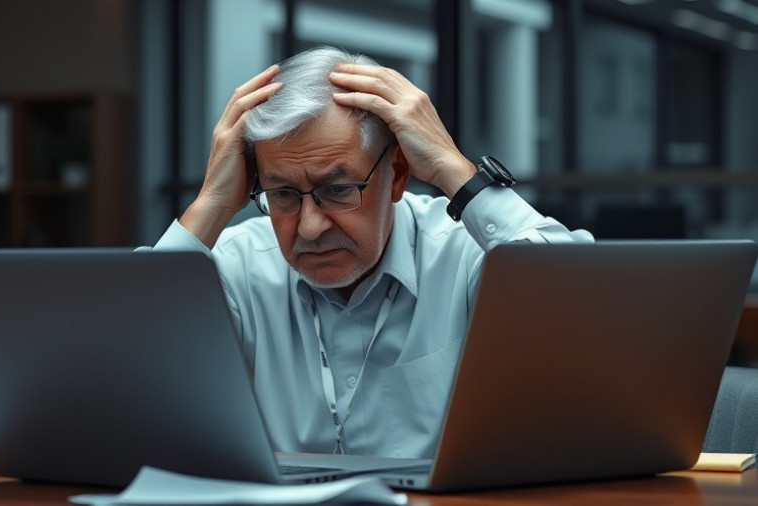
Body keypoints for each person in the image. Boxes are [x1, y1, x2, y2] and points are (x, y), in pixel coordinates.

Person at [141, 46, 592, 458]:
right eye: (282, 195)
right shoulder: (236, 267)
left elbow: (586, 317)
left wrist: (455, 172)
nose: (310, 226)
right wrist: (211, 206)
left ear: (396, 174)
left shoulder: (468, 255)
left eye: (337, 190)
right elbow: (132, 372)